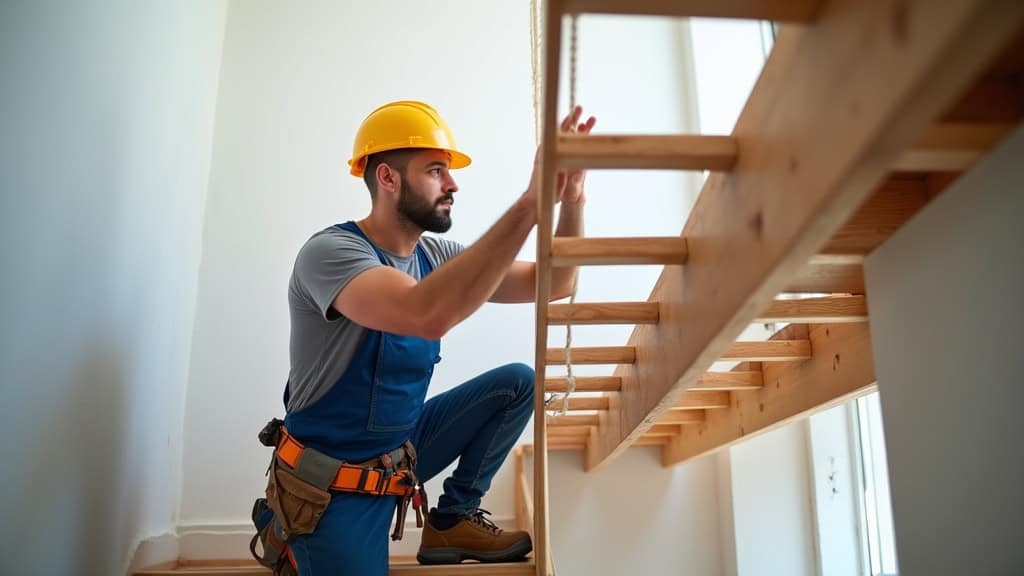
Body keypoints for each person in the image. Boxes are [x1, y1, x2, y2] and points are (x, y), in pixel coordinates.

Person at [277, 100, 595, 575]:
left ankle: (452, 518)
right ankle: (284, 531)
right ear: (388, 178)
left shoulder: (434, 254)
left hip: (399, 454)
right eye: (435, 170)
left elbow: (557, 282)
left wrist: (572, 201)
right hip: (331, 485)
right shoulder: (331, 253)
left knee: (517, 383)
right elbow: (425, 313)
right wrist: (530, 206)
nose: (452, 184)